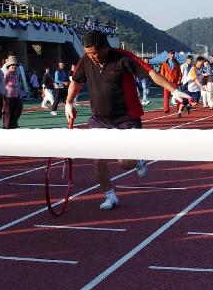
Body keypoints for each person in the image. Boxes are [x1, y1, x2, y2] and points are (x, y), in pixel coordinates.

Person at [65, 30, 190, 211]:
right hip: (99, 119)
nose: (91, 56)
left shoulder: (124, 58)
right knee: (98, 160)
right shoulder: (85, 60)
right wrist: (69, 102)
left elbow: (151, 74)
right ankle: (110, 196)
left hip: (127, 118)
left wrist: (174, 90)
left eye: (94, 53)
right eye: (88, 53)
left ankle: (137, 158)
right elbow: (76, 81)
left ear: (105, 48)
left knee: (125, 163)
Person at [158, 50, 182, 115]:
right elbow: (162, 73)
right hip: (166, 82)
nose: (172, 55)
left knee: (178, 96)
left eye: (173, 54)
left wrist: (179, 80)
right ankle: (166, 109)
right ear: (168, 55)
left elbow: (179, 73)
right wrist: (162, 81)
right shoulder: (164, 63)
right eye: (171, 54)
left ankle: (179, 108)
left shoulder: (177, 63)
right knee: (166, 96)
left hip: (174, 82)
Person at [2, 56, 23, 129]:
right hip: (8, 97)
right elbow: (2, 84)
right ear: (8, 66)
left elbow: (18, 86)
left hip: (16, 96)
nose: (14, 66)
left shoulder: (16, 74)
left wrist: (20, 94)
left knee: (19, 109)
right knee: (8, 114)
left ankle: (13, 123)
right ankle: (7, 127)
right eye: (12, 65)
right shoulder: (6, 74)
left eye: (15, 65)